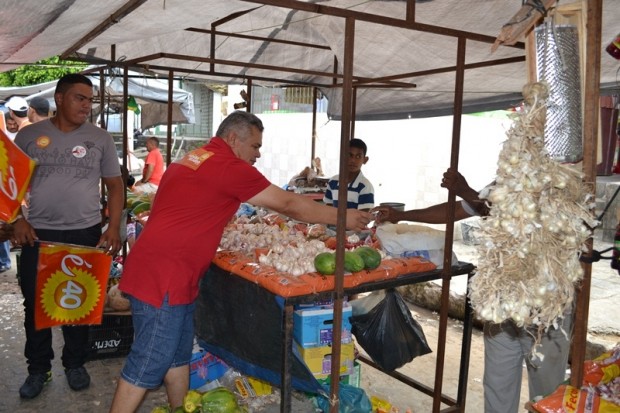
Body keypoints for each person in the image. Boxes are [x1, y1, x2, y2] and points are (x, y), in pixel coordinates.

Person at [108, 110, 372, 413]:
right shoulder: (227, 165)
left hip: (171, 271)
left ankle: (180, 408)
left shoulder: (195, 157)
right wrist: (344, 217)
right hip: (164, 276)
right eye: (255, 146)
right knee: (148, 362)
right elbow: (289, 204)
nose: (258, 154)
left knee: (177, 357)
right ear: (234, 139)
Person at [373, 168, 572, 413]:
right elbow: (457, 209)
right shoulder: (506, 180)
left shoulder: (563, 186)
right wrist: (400, 215)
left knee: (548, 393)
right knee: (497, 385)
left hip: (546, 307)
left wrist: (466, 191)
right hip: (502, 301)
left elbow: (504, 212)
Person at [12, 73, 124, 400]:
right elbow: (10, 184)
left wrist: (113, 227)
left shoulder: (100, 138)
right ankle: (38, 369)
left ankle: (75, 363)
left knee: (78, 302)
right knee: (36, 304)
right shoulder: (29, 136)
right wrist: (18, 218)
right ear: (59, 99)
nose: (87, 106)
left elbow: (115, 186)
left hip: (84, 231)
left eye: (90, 100)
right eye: (80, 98)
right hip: (38, 232)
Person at [323, 138, 374, 211]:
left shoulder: (365, 186)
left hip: (353, 223)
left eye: (358, 156)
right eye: (350, 155)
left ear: (365, 160)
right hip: (332, 222)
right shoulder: (333, 182)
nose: (353, 160)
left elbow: (362, 218)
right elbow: (328, 209)